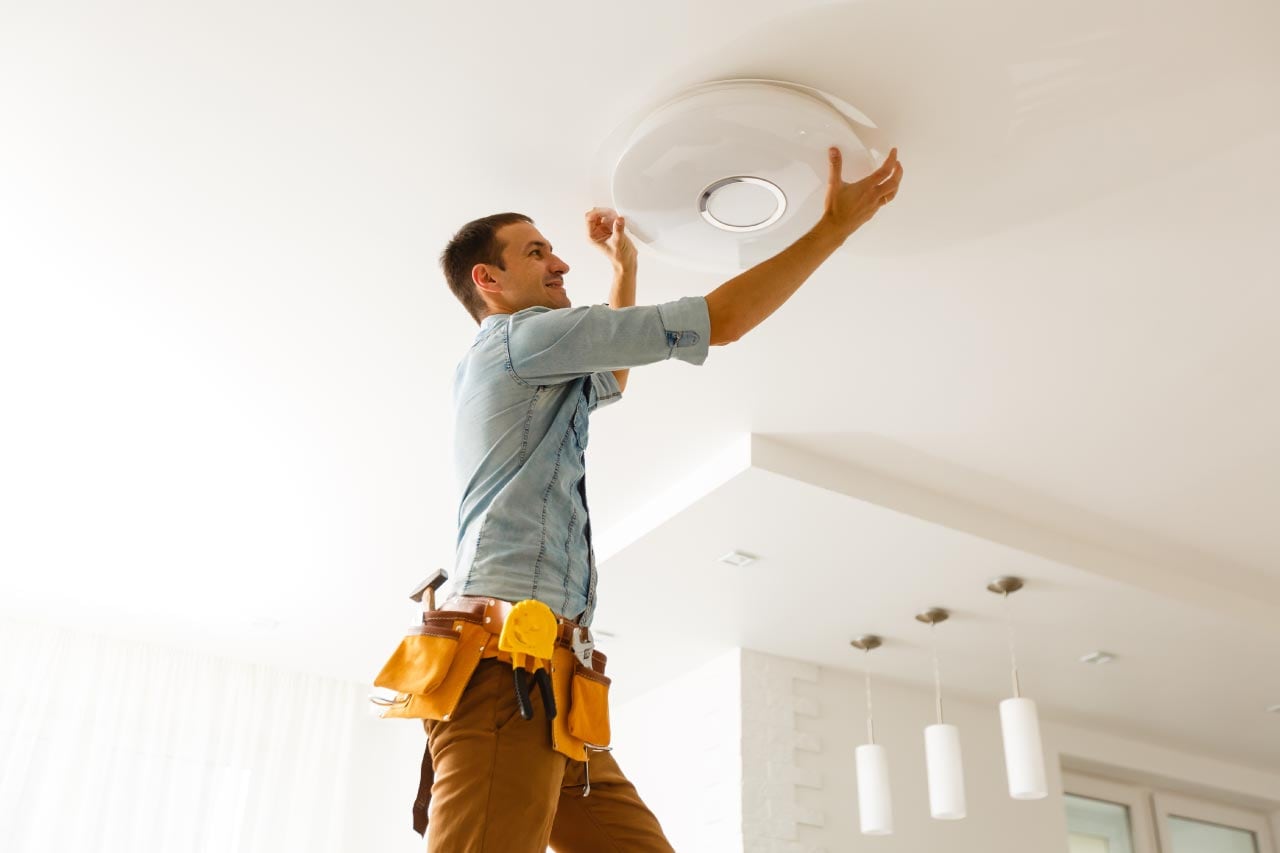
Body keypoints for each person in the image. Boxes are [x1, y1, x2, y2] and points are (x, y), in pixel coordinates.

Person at [413, 146, 902, 852]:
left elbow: (612, 375)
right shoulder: (522, 339)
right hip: (504, 674)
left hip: (548, 679)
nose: (558, 263)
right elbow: (719, 319)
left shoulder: (532, 364)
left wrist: (625, 270)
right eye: (536, 252)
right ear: (487, 279)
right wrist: (833, 226)